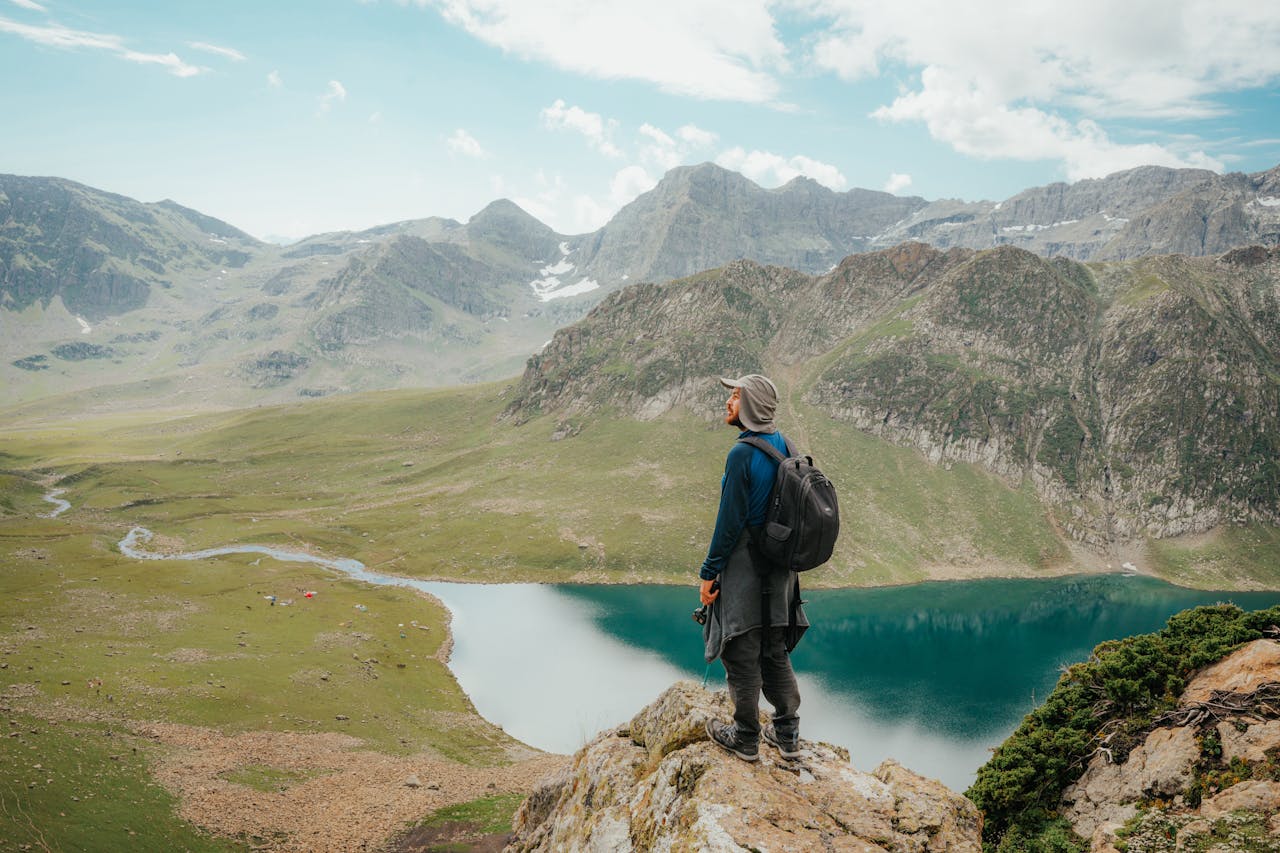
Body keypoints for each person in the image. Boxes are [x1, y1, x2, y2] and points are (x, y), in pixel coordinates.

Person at [699, 373, 808, 762]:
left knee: (742, 653)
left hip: (745, 574)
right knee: (775, 651)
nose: (728, 403)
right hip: (781, 575)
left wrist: (709, 573)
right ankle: (788, 736)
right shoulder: (787, 445)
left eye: (734, 396)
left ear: (749, 406)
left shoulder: (742, 454)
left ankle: (745, 738)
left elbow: (728, 525)